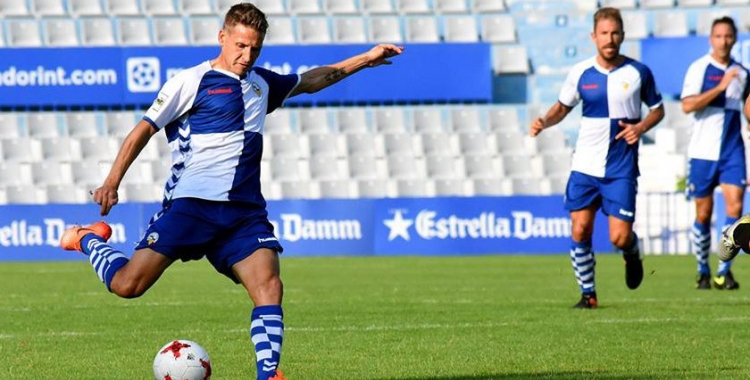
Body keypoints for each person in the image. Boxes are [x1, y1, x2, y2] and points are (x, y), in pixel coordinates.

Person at [58, 3, 403, 380]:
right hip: (192, 206)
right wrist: (112, 181)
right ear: (222, 37)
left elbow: (315, 79)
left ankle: (269, 374)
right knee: (127, 286)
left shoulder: (262, 83)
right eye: (240, 45)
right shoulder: (190, 81)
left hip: (243, 212)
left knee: (269, 285)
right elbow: (144, 129)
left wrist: (367, 58)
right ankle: (87, 238)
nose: (246, 55)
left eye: (254, 48)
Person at [529, 7, 664, 309]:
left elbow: (658, 109)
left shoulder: (638, 72)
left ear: (623, 35)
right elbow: (562, 107)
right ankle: (588, 295)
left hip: (621, 168)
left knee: (618, 237)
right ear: (593, 36)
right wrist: (543, 122)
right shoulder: (580, 72)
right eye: (604, 33)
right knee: (580, 229)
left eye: (615, 32)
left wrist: (641, 127)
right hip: (585, 166)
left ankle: (632, 252)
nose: (610, 38)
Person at [681, 16, 750, 291]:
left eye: (728, 36)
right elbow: (687, 106)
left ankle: (723, 271)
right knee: (703, 214)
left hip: (733, 151)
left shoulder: (743, 72)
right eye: (718, 36)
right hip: (702, 151)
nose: (724, 41)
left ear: (734, 39)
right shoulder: (699, 69)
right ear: (711, 39)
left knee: (734, 208)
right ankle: (702, 270)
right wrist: (720, 87)